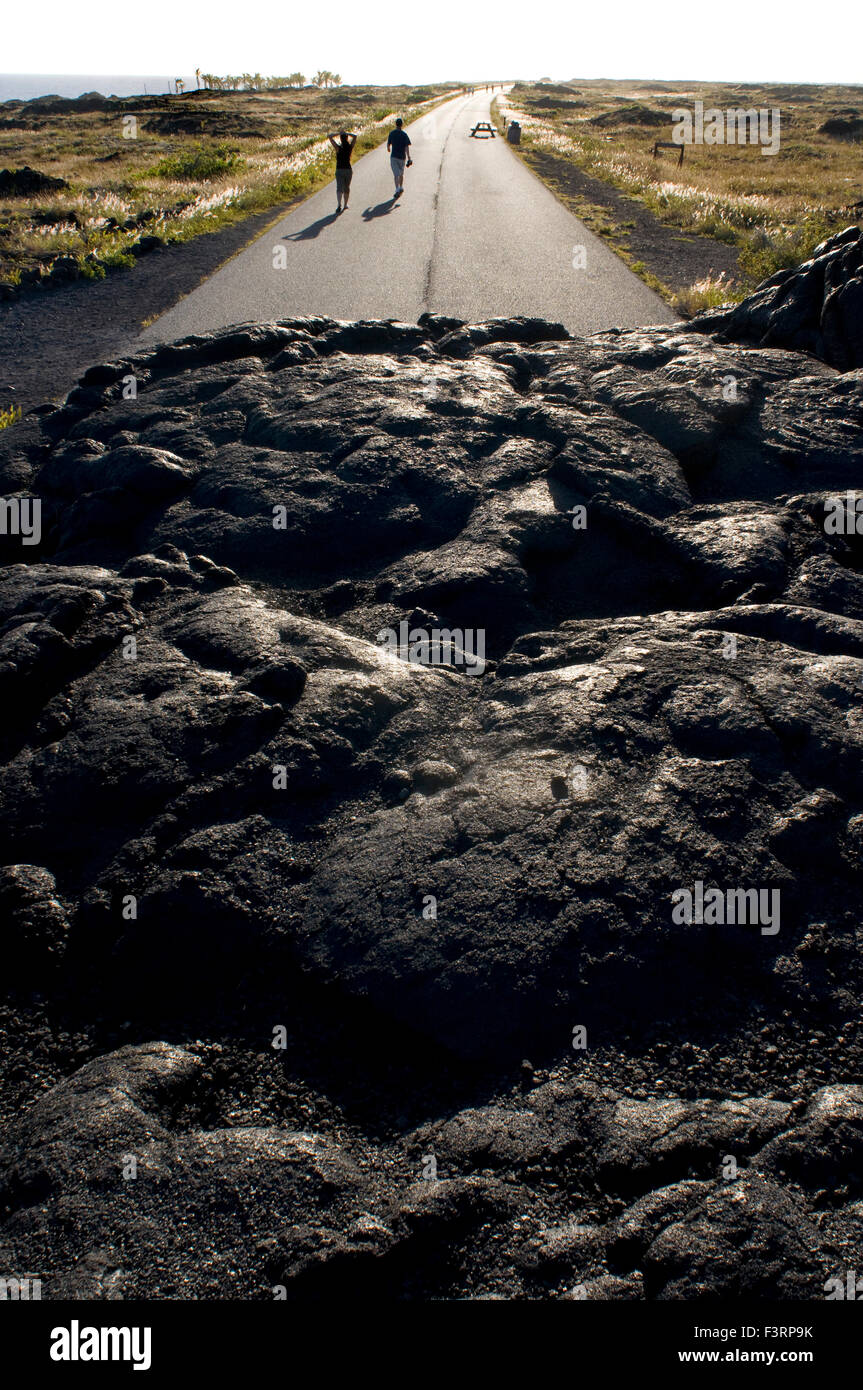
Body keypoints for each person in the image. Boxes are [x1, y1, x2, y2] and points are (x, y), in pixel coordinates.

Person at [328, 129, 357, 213]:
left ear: (340, 139)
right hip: (348, 169)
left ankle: (338, 204)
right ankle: (345, 205)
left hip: (339, 169)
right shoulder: (350, 147)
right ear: (347, 138)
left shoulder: (338, 148)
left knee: (339, 188)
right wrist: (346, 133)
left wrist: (338, 133)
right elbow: (355, 137)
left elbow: (330, 137)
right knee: (346, 188)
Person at [386, 117, 412, 197]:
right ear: (402, 125)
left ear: (395, 124)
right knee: (401, 174)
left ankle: (397, 188)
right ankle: (400, 187)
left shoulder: (392, 133)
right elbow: (406, 147)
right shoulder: (404, 134)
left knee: (396, 174)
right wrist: (409, 157)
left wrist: (388, 148)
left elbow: (388, 143)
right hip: (402, 157)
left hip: (394, 156)